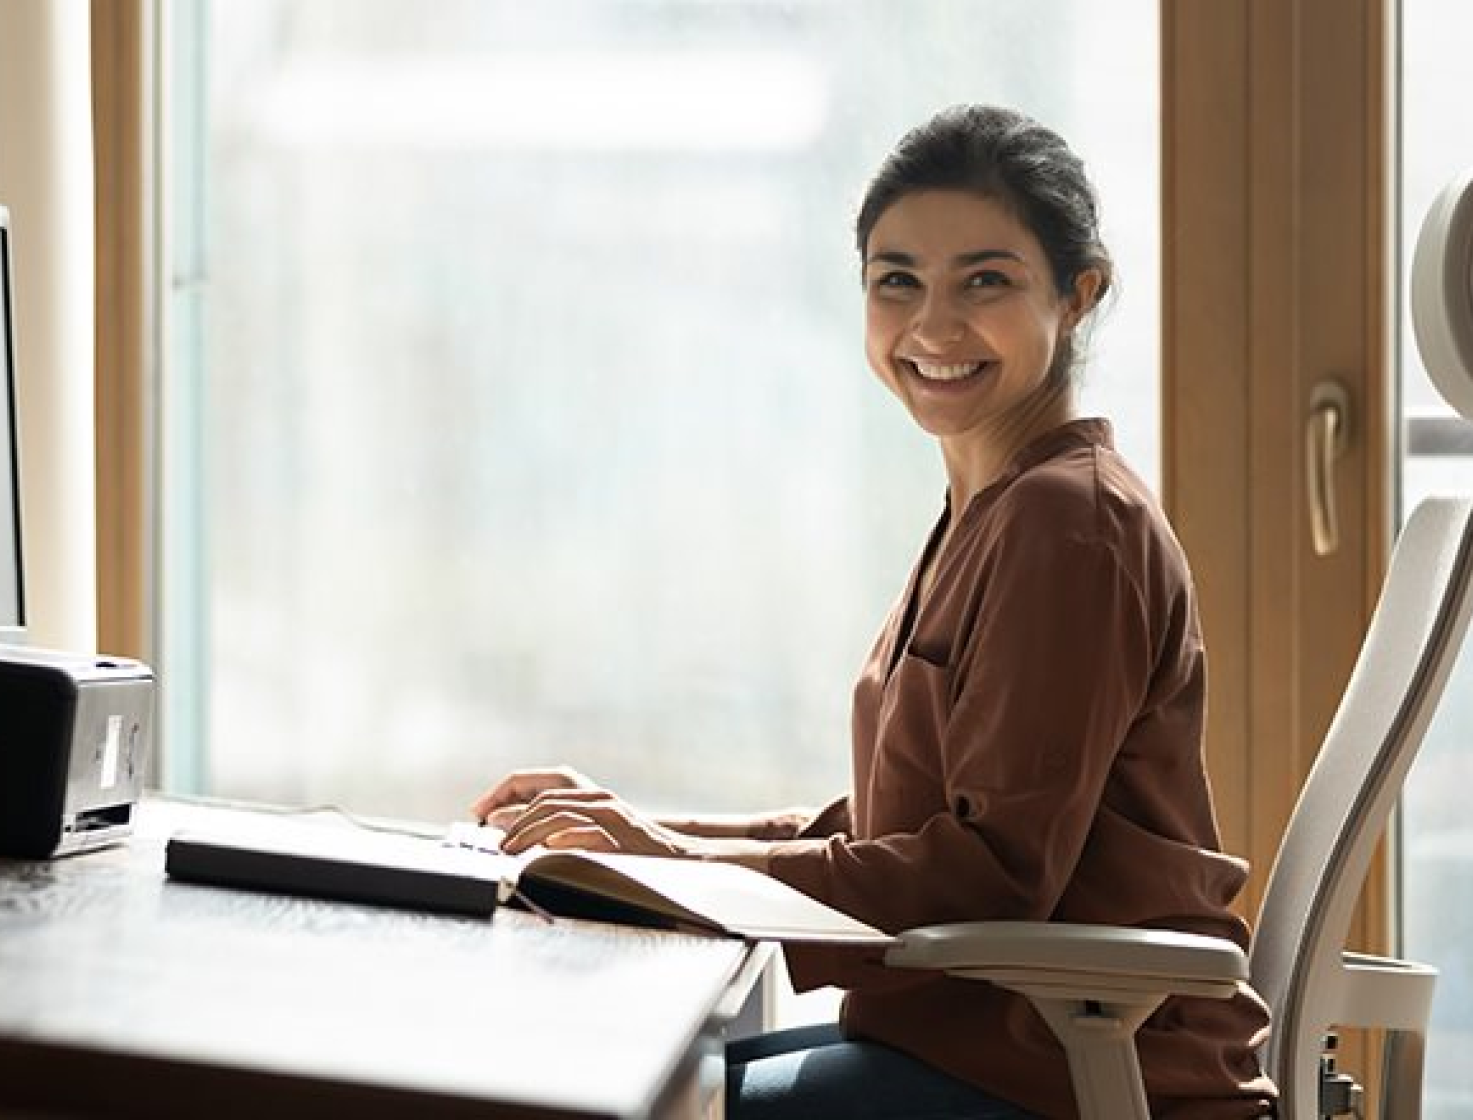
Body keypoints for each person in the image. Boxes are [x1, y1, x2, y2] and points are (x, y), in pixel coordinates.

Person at [470, 104, 1277, 1119]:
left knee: (603, 1094)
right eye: (898, 282)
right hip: (976, 1051)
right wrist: (637, 832)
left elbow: (984, 874)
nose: (934, 325)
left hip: (1067, 1078)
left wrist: (667, 860)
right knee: (622, 1074)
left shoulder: (1069, 525)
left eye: (986, 281)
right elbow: (893, 827)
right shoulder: (995, 506)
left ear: (1079, 295)